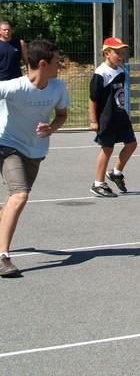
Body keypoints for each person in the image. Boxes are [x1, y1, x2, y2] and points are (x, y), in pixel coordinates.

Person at [0, 40, 68, 277]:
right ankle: (3, 257)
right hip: (7, 146)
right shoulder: (12, 87)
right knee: (20, 195)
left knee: (12, 199)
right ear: (42, 63)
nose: (60, 64)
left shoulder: (58, 87)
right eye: (56, 60)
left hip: (36, 150)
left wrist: (51, 127)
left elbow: (61, 115)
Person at [88, 37, 137, 198]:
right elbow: (93, 99)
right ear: (107, 53)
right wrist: (94, 120)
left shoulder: (121, 71)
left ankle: (116, 172)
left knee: (131, 144)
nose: (120, 55)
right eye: (117, 52)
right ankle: (98, 183)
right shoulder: (100, 73)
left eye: (122, 52)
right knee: (107, 149)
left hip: (120, 116)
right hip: (106, 118)